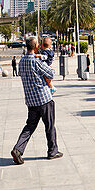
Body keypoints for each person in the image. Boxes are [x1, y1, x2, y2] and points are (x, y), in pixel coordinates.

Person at [11, 36, 62, 164]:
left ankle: (18, 149)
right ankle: (52, 151)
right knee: (50, 126)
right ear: (36, 47)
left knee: (30, 126)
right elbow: (51, 74)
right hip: (44, 99)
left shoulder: (22, 62)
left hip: (31, 101)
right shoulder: (36, 61)